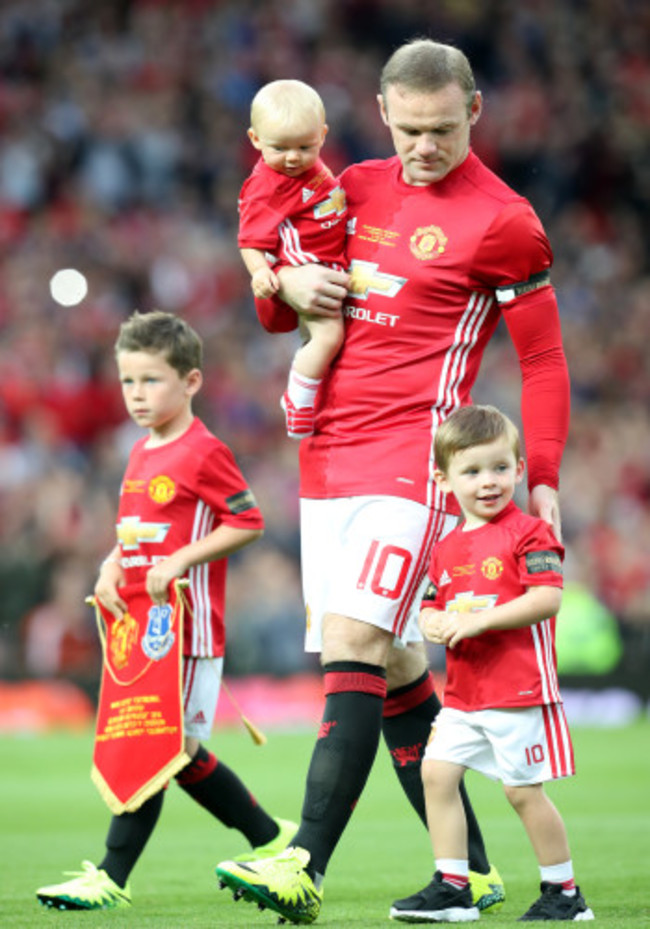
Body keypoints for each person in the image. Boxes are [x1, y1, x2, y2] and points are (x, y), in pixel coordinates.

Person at [216, 38, 570, 925]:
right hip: (326, 458)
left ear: (474, 113)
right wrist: (282, 279)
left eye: (442, 129)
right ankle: (475, 873)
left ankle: (303, 860)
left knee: (353, 642)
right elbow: (274, 316)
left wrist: (546, 474)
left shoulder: (505, 219)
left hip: (414, 464)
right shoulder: (352, 186)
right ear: (380, 113)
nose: (424, 147)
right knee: (401, 660)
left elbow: (545, 356)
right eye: (409, 129)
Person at [36, 311, 296, 911]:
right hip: (143, 630)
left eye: (151, 380)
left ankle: (110, 877)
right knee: (176, 753)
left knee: (156, 744)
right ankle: (273, 839)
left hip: (185, 628)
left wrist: (181, 560)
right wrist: (109, 564)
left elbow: (248, 521)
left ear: (192, 382)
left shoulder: (204, 450)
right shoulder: (139, 451)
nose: (137, 395)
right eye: (128, 381)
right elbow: (135, 535)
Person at [391, 405, 593, 923]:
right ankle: (454, 886)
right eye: (473, 470)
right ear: (443, 479)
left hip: (518, 689)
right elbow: (434, 602)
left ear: (520, 469)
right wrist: (431, 621)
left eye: (501, 468)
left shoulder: (530, 532)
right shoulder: (445, 548)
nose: (489, 481)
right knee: (435, 773)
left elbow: (547, 599)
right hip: (463, 695)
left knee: (522, 792)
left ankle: (564, 893)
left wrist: (480, 622)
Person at [238, 79, 346, 439]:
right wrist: (260, 272)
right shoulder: (267, 185)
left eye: (305, 145)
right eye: (280, 148)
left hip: (329, 264)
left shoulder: (308, 169)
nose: (293, 157)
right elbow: (250, 240)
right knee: (328, 335)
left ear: (323, 134)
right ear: (255, 140)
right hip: (305, 271)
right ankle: (297, 400)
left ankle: (313, 394)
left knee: (325, 341)